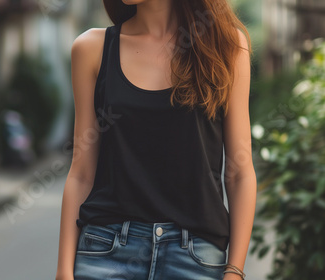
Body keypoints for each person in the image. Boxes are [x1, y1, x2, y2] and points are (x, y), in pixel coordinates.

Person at [56, 0, 256, 279]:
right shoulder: (92, 48)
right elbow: (81, 173)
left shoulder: (226, 47)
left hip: (196, 257)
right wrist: (63, 271)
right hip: (106, 251)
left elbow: (239, 172)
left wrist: (234, 271)